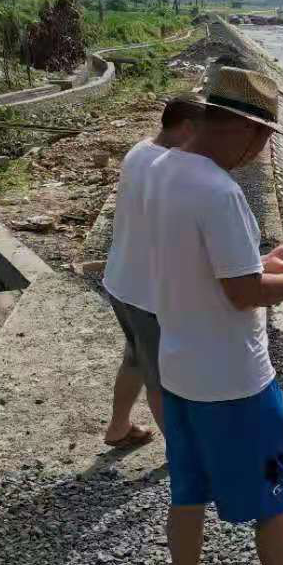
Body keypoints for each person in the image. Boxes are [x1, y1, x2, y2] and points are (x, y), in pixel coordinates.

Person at [143, 54, 283, 565]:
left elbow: (215, 271)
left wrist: (266, 262)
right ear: (245, 129)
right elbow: (242, 294)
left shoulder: (160, 170)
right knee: (276, 495)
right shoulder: (219, 191)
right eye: (262, 137)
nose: (260, 151)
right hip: (234, 381)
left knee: (187, 488)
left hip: (178, 368)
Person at [102, 96, 203, 449]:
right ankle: (181, 455)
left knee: (136, 356)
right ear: (187, 127)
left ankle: (118, 428)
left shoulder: (140, 150)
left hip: (120, 280)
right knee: (162, 378)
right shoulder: (166, 166)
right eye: (200, 132)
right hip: (146, 292)